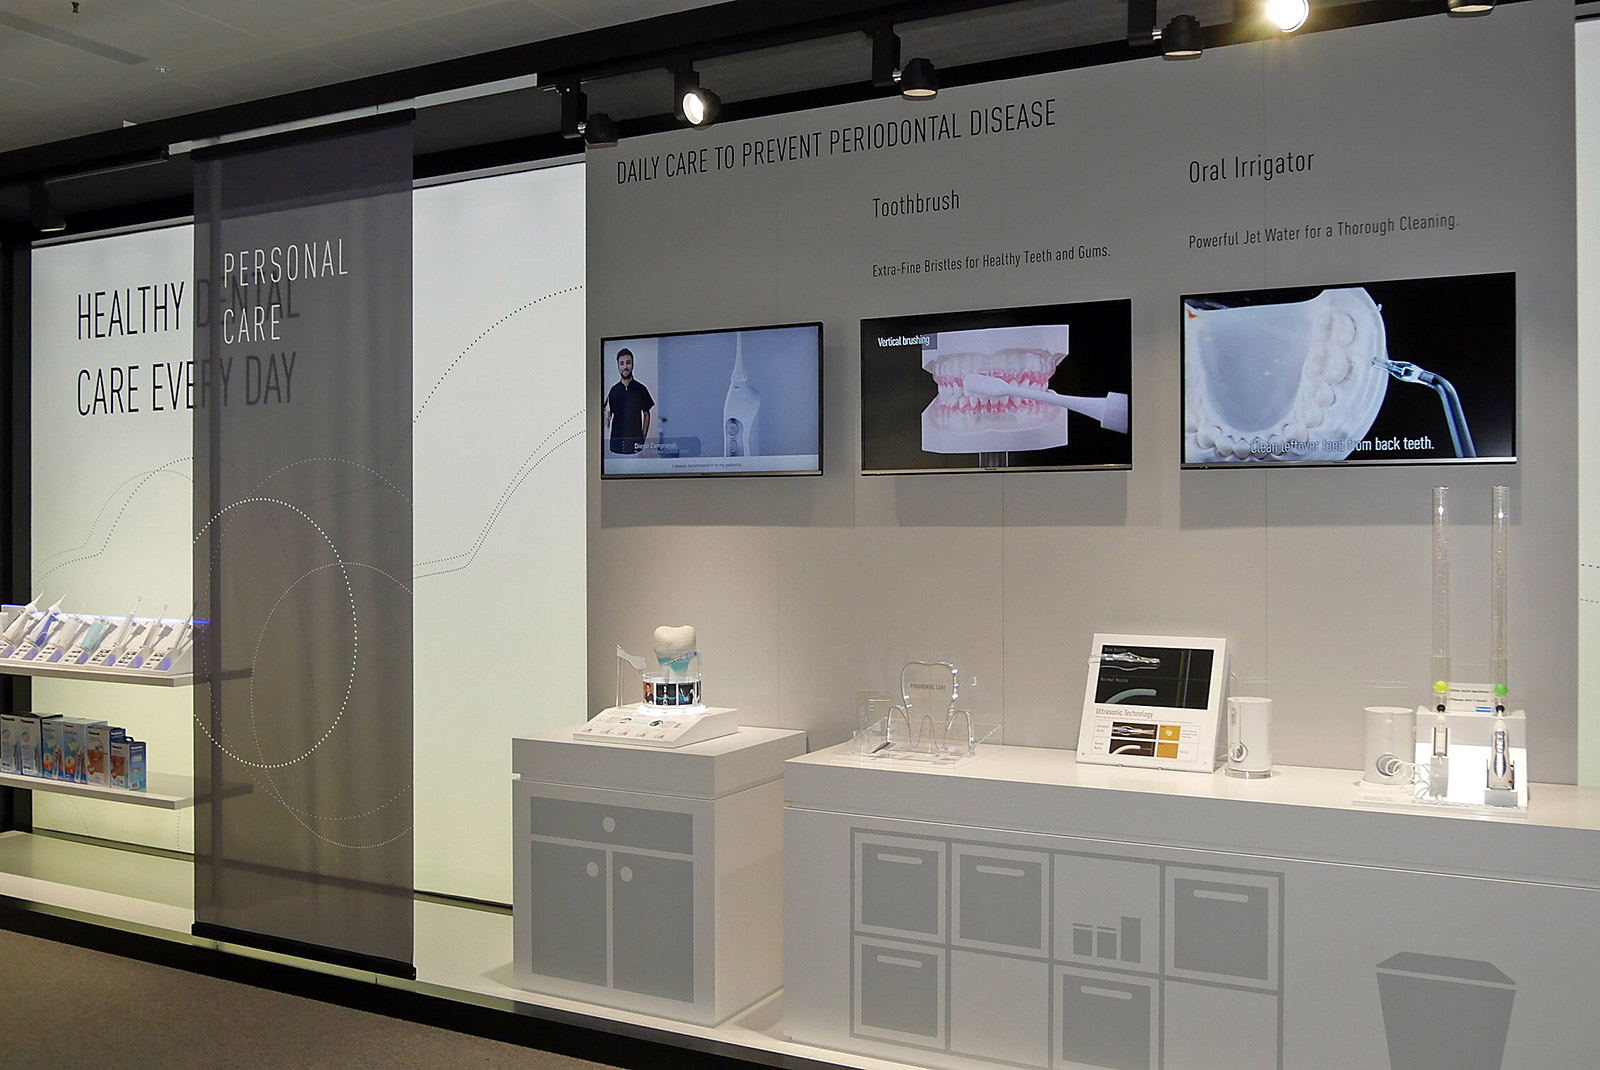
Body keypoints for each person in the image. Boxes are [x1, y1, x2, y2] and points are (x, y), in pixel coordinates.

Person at [604, 347, 654, 454]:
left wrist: (643, 438)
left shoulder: (641, 389)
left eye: (628, 363)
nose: (625, 367)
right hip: (615, 447)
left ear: (633, 365)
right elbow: (608, 415)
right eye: (621, 364)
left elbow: (647, 415)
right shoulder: (613, 390)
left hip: (635, 447)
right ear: (618, 366)